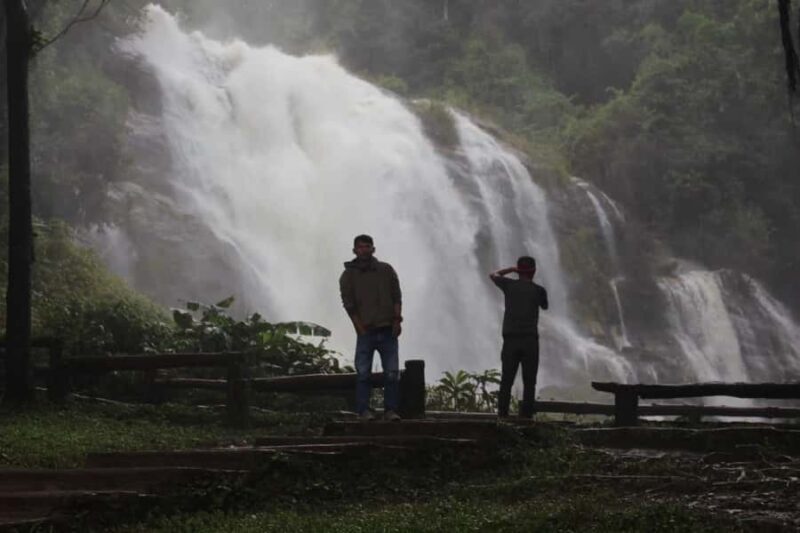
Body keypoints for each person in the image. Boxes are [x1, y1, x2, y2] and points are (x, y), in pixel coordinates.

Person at [339, 234, 403, 421]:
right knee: (363, 374)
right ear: (354, 251)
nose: (364, 250)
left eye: (367, 246)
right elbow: (349, 305)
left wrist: (397, 320)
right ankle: (363, 411)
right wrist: (360, 328)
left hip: (388, 328)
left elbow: (397, 296)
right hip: (366, 331)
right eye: (360, 247)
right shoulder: (348, 275)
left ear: (373, 249)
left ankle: (391, 410)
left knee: (392, 373)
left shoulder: (386, 270)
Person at [490, 256, 548, 419]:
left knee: (506, 380)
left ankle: (502, 416)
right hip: (530, 341)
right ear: (534, 271)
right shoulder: (539, 290)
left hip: (510, 340)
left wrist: (510, 270)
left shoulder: (508, 285)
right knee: (530, 382)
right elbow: (544, 306)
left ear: (518, 270)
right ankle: (526, 418)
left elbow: (493, 275)